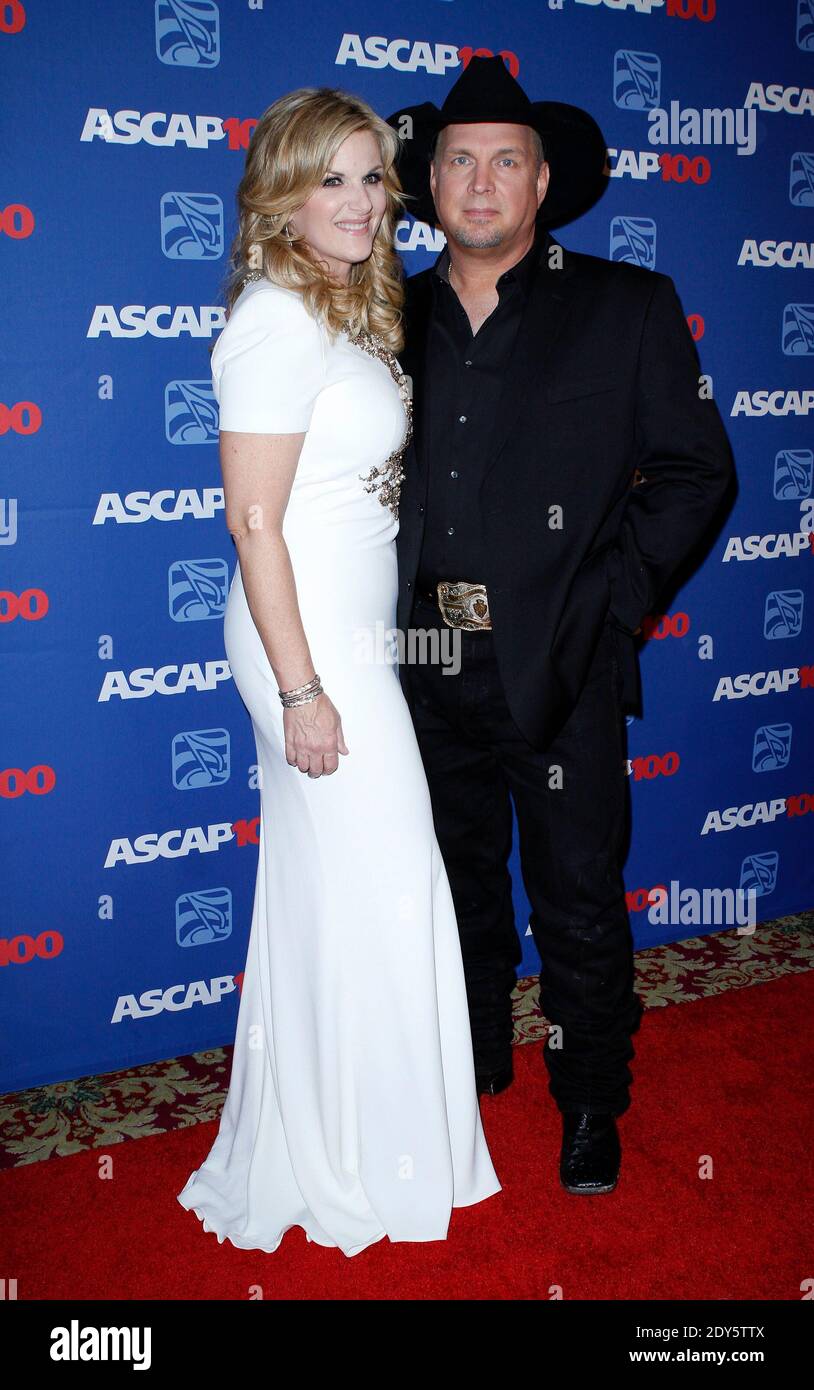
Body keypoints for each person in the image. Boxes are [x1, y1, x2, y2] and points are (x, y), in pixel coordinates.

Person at [387, 57, 735, 1194]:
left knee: (579, 895)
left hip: (561, 657)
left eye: (505, 161)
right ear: (428, 180)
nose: (479, 183)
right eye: (458, 160)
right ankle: (475, 1055)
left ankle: (591, 1101)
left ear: (542, 183)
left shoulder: (624, 305)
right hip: (422, 649)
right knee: (453, 878)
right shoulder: (379, 313)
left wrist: (608, 609)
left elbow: (694, 473)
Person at [176, 86, 501, 1257]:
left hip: (350, 642)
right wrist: (304, 690)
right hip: (304, 647)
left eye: (374, 178)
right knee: (383, 877)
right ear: (282, 192)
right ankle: (360, 1154)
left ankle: (354, 1139)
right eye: (333, 180)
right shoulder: (273, 319)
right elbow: (254, 526)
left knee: (347, 894)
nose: (362, 203)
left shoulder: (341, 310)